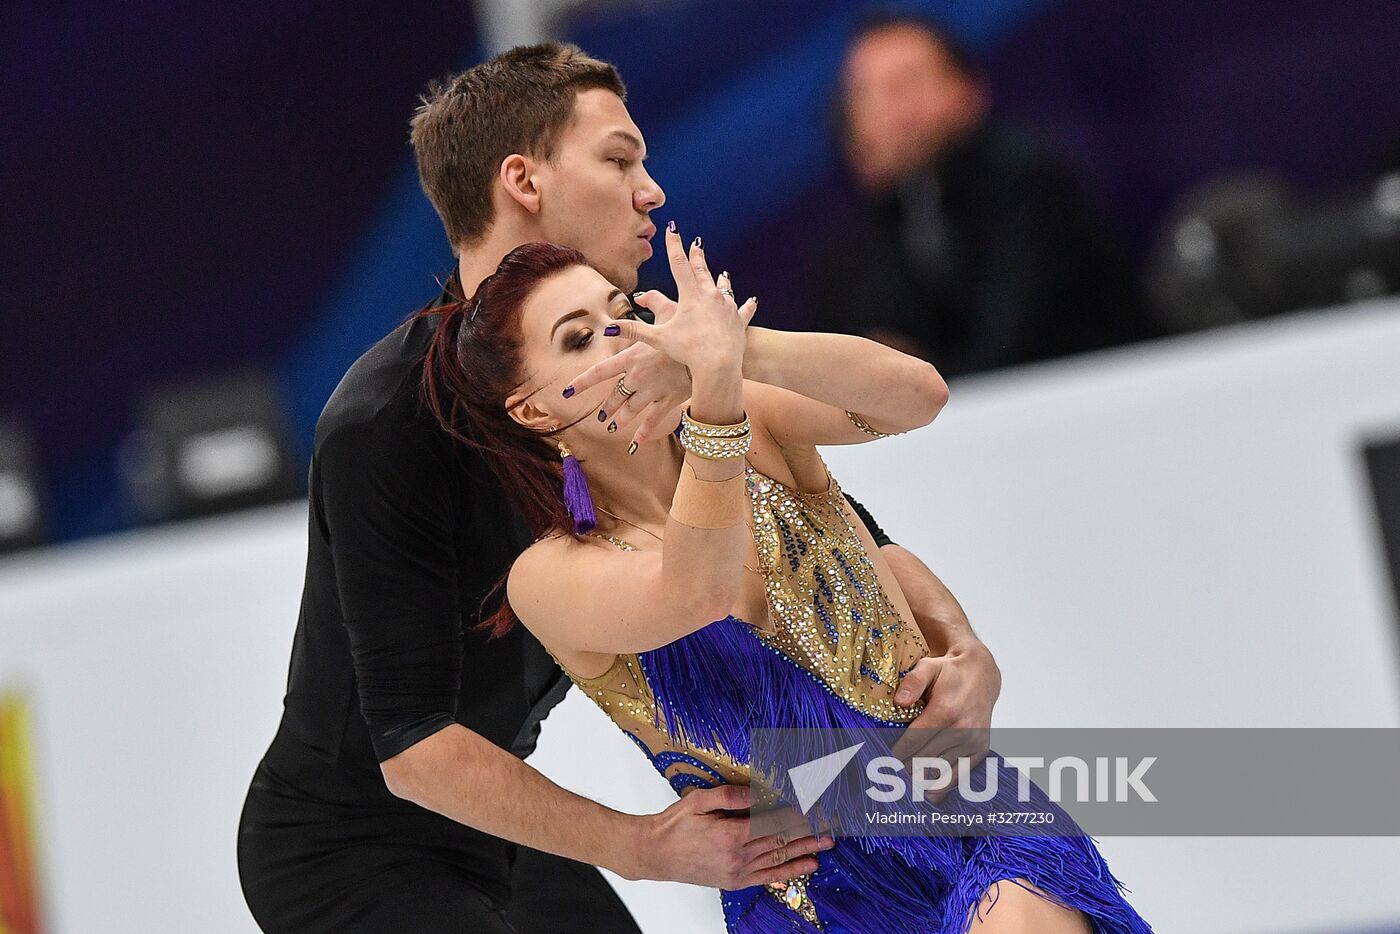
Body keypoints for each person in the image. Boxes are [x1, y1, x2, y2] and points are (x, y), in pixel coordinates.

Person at [237, 42, 1002, 932]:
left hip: (499, 822)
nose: (653, 191)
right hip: (353, 846)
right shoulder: (388, 422)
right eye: (619, 159)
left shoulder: (639, 348)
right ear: (524, 181)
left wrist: (959, 648)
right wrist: (640, 845)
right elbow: (409, 749)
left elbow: (834, 525)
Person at [423, 231, 1153, 932]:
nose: (624, 342)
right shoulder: (549, 577)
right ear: (533, 410)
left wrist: (740, 352)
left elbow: (918, 397)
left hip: (972, 825)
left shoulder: (755, 420)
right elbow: (695, 590)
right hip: (817, 902)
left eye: (624, 313)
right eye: (580, 339)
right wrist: (712, 399)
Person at [815, 13, 1151, 374]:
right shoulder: (882, 219)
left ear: (968, 89)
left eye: (906, 84)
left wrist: (909, 379)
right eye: (869, 94)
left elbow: (1012, 345)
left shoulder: (1028, 182)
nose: (893, 111)